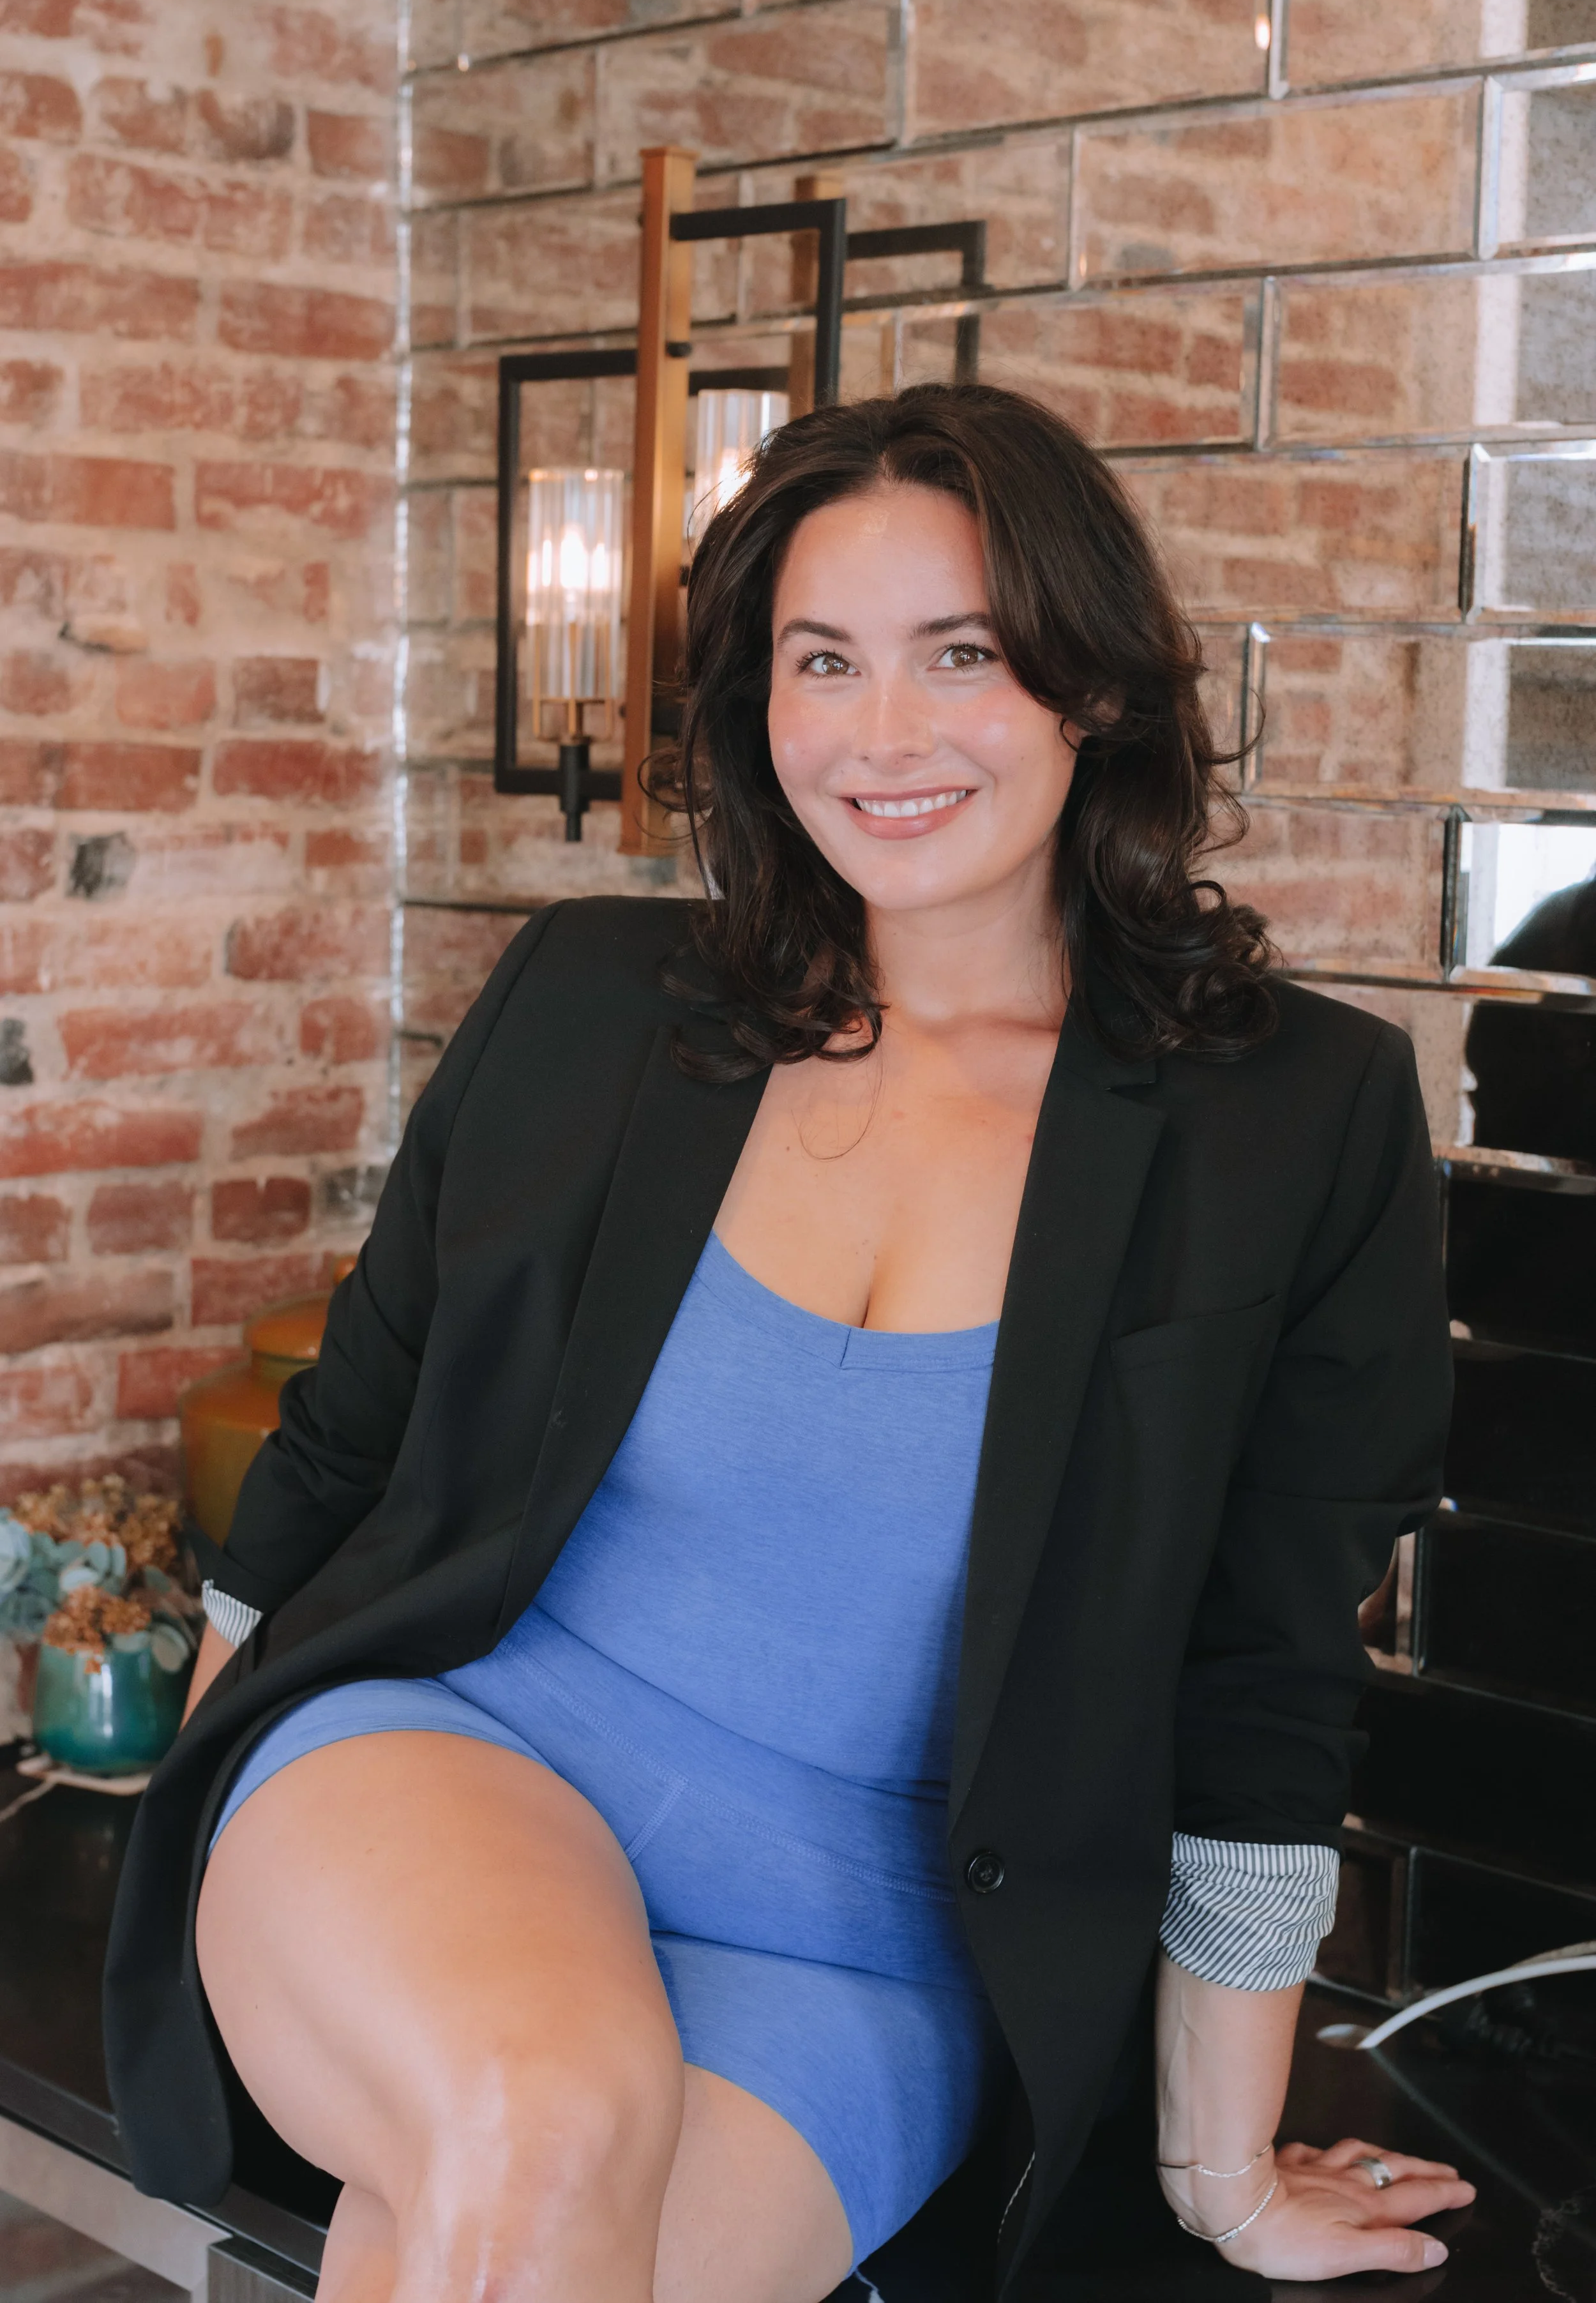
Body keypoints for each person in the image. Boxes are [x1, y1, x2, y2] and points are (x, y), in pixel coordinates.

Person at [104, 386, 1472, 2303]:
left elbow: (1264, 1667)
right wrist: (181, 1831)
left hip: (868, 1945)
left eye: (961, 656)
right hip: (459, 1763)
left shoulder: (1297, 1122)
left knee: (500, 2248)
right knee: (544, 2115)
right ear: (760, 697)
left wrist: (1216, 2162)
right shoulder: (588, 1005)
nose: (882, 732)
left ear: (1086, 689)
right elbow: (350, 1425)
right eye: (822, 659)